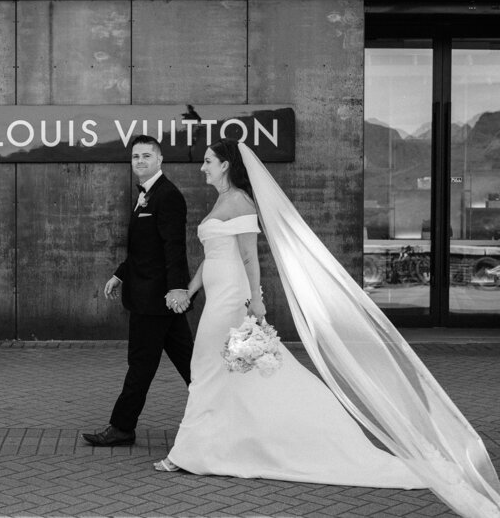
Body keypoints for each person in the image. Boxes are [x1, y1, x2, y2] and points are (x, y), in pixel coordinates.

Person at [151, 138, 500, 518]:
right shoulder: (219, 202)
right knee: (217, 372)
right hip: (216, 293)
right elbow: (210, 256)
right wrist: (190, 288)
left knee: (205, 367)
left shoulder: (240, 202)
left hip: (232, 297)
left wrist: (258, 300)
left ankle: (188, 451)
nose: (202, 167)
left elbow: (250, 257)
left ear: (225, 165)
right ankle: (212, 444)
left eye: (208, 161)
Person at [82, 134, 194, 447]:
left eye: (146, 156)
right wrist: (120, 274)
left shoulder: (167, 195)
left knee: (141, 365)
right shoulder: (146, 194)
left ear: (160, 160)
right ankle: (224, 411)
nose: (140, 161)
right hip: (154, 298)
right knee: (190, 363)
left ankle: (121, 427)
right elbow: (145, 249)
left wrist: (176, 288)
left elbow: (173, 247)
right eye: (135, 157)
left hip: (155, 300)